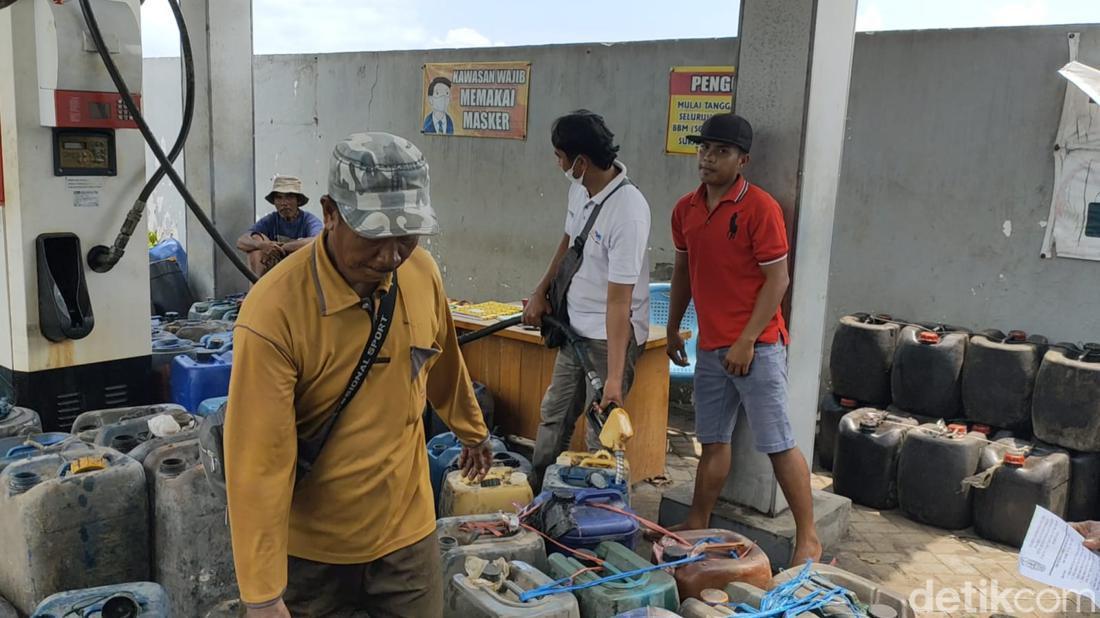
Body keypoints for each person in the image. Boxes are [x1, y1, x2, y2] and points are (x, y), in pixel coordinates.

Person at [224, 133, 493, 618]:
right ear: (330, 213)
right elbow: (257, 462)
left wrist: (471, 430)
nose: (391, 255)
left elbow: (444, 362)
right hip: (313, 554)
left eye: (407, 236)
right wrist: (262, 595)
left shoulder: (421, 273)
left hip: (407, 537)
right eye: (374, 235)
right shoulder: (274, 312)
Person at [664, 112, 821, 566]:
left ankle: (808, 537)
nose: (709, 158)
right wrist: (675, 326)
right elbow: (682, 272)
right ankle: (698, 519)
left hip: (759, 348)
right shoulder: (685, 210)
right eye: (705, 149)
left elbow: (778, 282)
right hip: (711, 346)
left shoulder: (761, 208)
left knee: (777, 443)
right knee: (712, 442)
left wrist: (747, 340)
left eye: (721, 151)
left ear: (743, 160)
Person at [522, 110, 651, 488]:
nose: (557, 163)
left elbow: (619, 302)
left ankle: (601, 515)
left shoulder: (628, 213)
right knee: (554, 414)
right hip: (573, 329)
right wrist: (540, 292)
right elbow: (568, 242)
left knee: (603, 434)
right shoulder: (579, 188)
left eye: (561, 156)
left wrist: (613, 379)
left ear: (581, 161)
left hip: (608, 339)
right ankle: (537, 496)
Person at [237, 175, 324, 276]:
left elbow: (318, 240)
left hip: (301, 272)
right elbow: (241, 242)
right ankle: (257, 288)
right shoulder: (271, 220)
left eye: (289, 197)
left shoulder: (308, 220)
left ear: (298, 201)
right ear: (274, 202)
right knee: (255, 240)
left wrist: (282, 248)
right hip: (275, 272)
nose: (284, 203)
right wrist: (262, 245)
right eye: (279, 198)